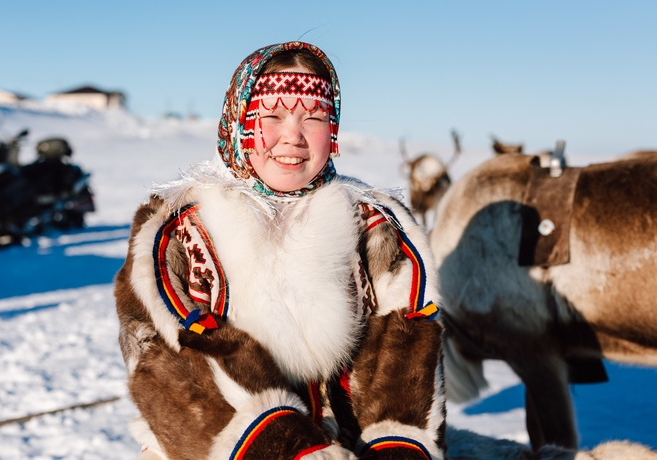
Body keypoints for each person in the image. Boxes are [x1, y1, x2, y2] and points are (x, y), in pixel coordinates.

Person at [114, 42, 446, 460]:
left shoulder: (375, 224)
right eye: (271, 116)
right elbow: (169, 362)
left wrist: (395, 449)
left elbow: (406, 346)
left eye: (315, 117)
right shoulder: (174, 231)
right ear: (238, 122)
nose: (293, 136)